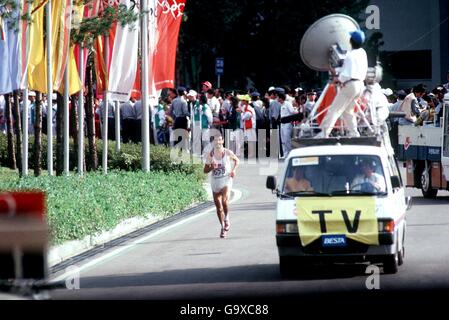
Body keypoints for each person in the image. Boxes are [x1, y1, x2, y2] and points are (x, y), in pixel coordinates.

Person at [317, 29, 368, 138]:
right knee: (348, 110)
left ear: (351, 41)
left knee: (334, 109)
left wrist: (336, 76)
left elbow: (344, 75)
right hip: (360, 85)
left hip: (351, 85)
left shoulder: (350, 55)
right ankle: (354, 133)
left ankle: (324, 133)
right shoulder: (363, 53)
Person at [204, 133, 239, 238]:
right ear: (213, 142)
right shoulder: (210, 155)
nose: (218, 142)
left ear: (222, 141)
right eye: (215, 140)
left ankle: (227, 219)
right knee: (218, 207)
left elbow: (237, 161)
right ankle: (222, 226)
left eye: (219, 140)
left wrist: (233, 170)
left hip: (226, 180)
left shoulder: (227, 152)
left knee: (224, 201)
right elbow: (205, 170)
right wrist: (211, 168)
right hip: (215, 181)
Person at [279, 93, 298, 158]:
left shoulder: (287, 104)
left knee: (287, 140)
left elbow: (292, 112)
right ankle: (285, 154)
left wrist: (297, 111)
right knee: (283, 140)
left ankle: (290, 154)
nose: (278, 99)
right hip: (282, 124)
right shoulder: (281, 105)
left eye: (278, 98)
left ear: (281, 98)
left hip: (287, 123)